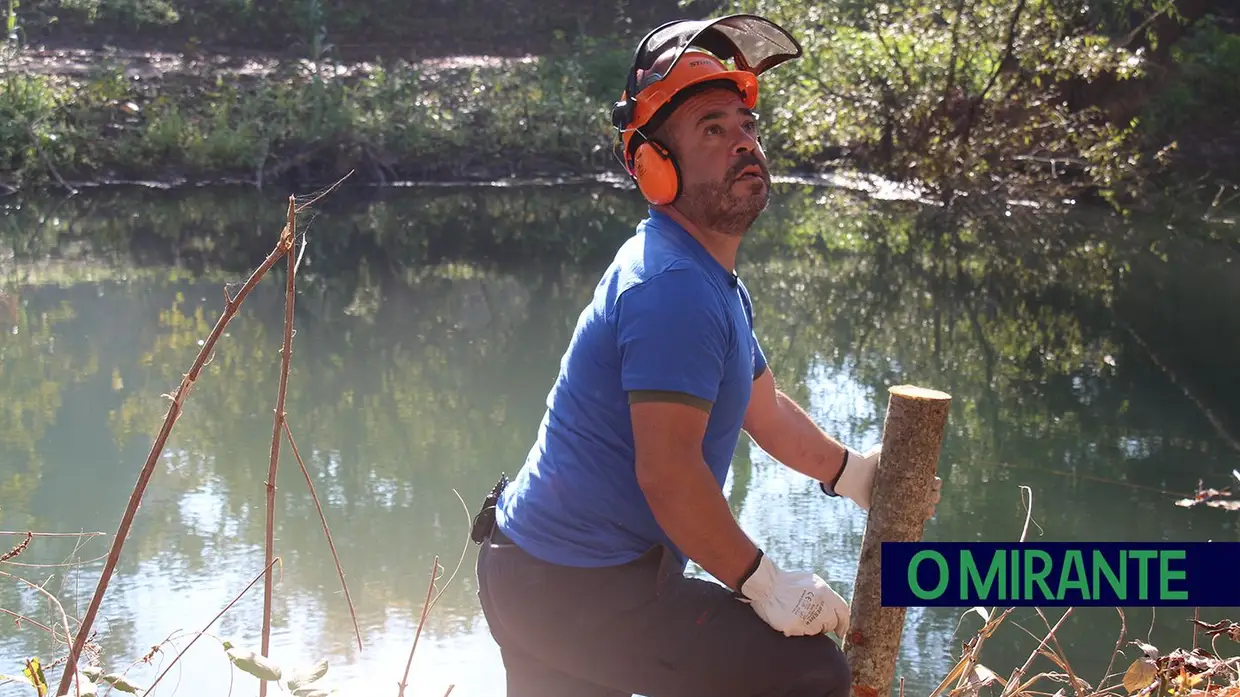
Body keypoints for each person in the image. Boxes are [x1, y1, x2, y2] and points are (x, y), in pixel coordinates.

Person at [470, 14, 942, 697]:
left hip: (545, 575)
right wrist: (763, 581)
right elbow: (668, 472)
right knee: (806, 673)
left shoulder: (703, 279)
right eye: (713, 131)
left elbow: (764, 408)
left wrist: (856, 475)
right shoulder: (672, 289)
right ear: (657, 168)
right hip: (572, 587)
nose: (744, 144)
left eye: (745, 124)